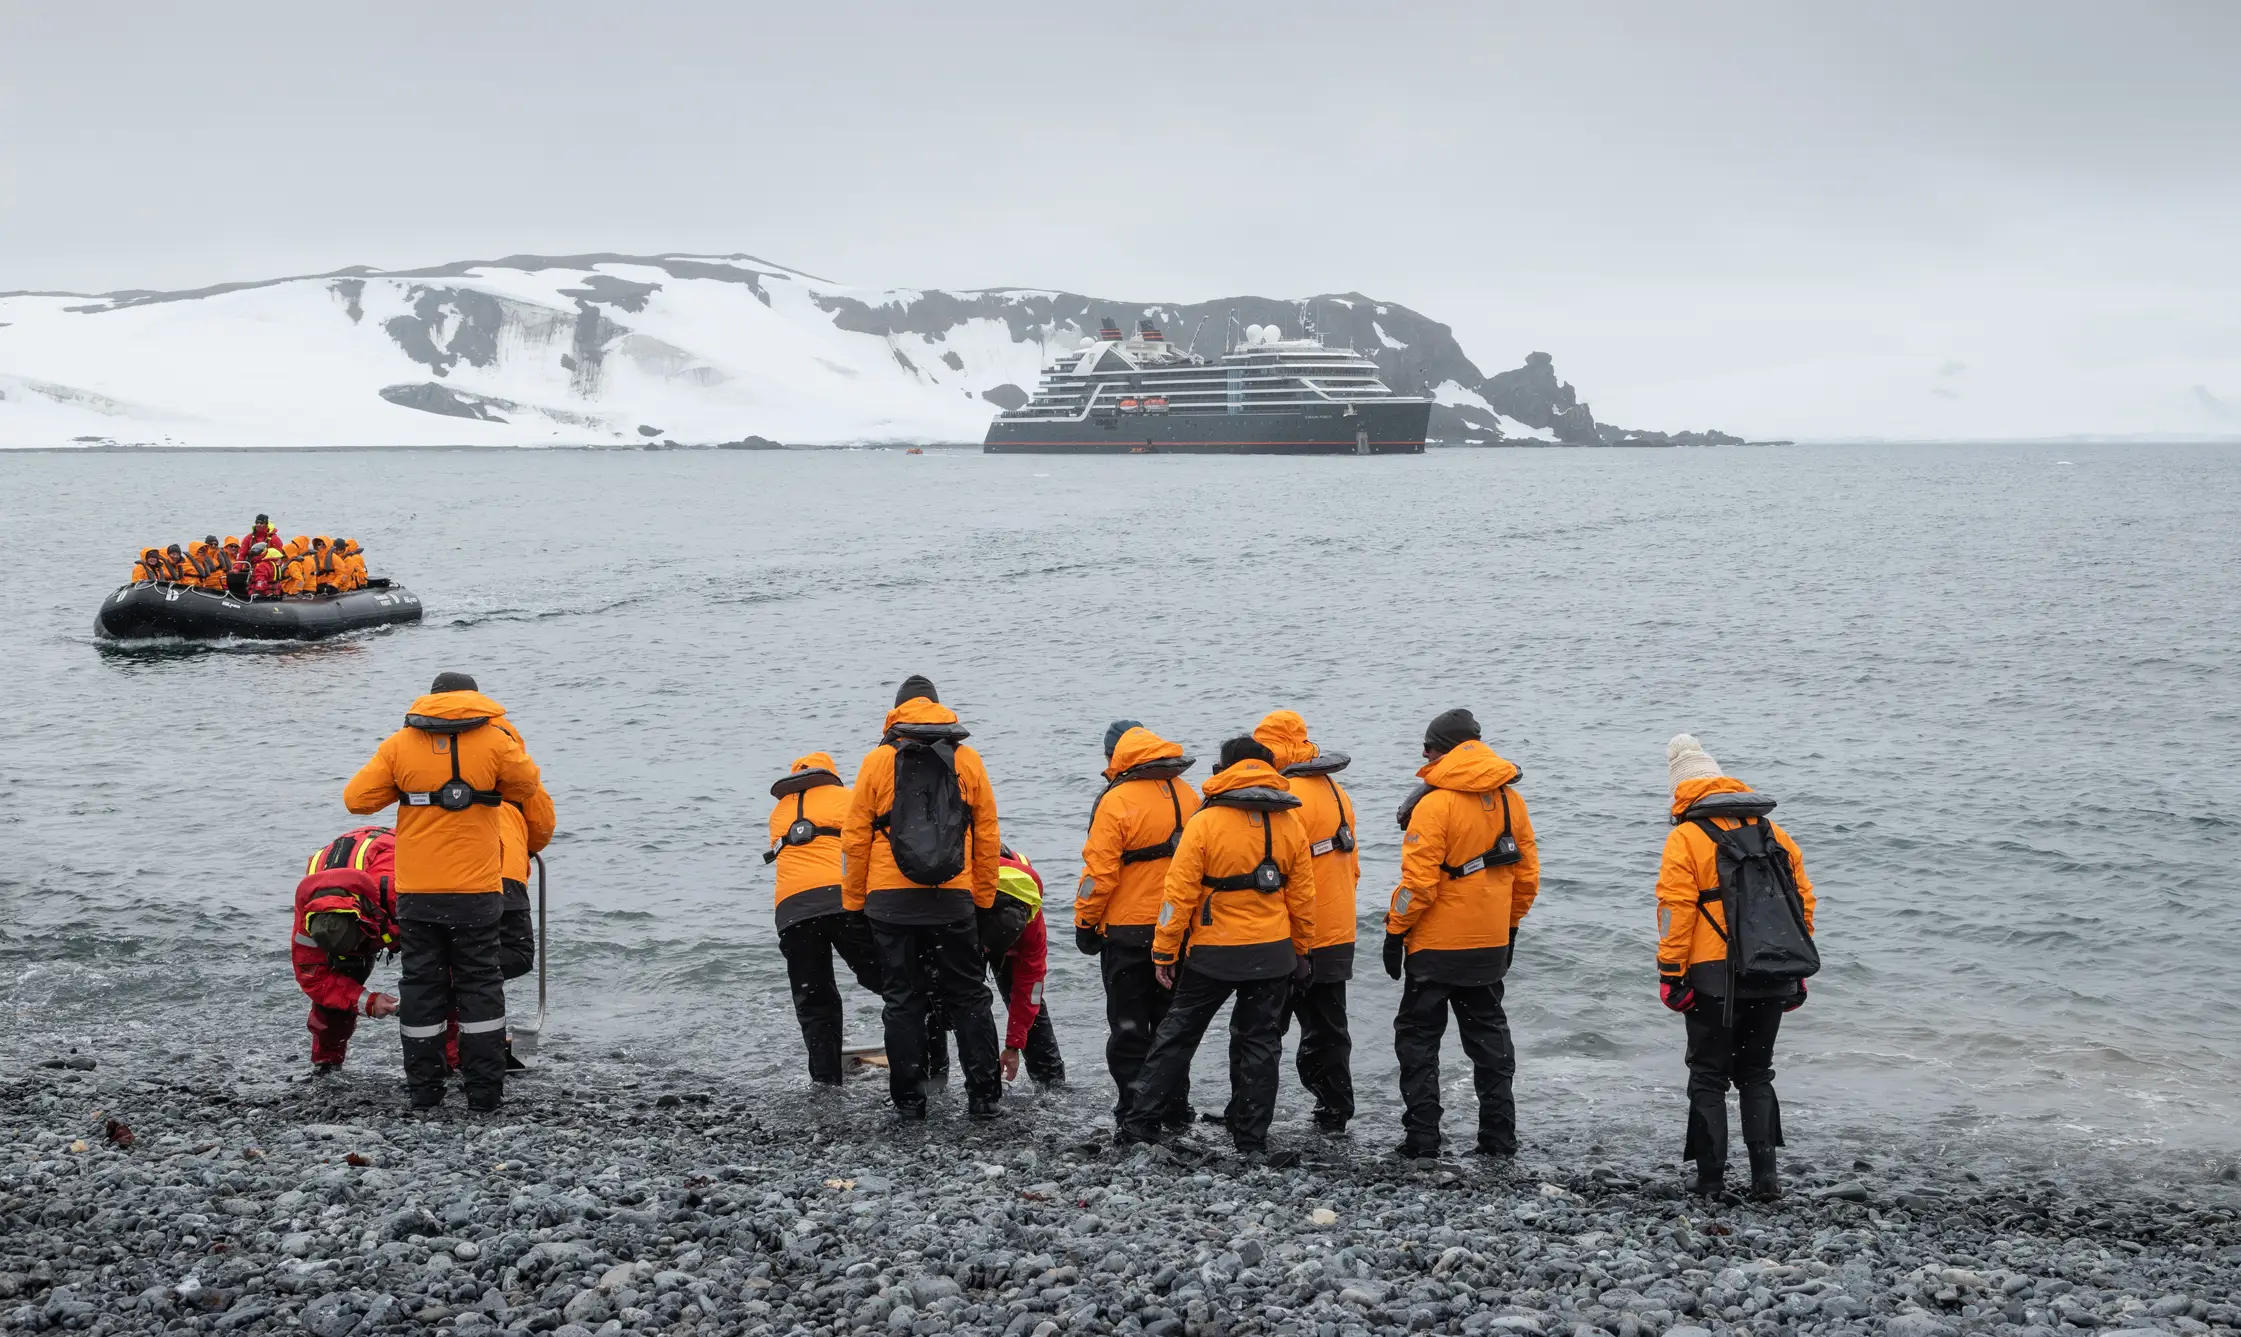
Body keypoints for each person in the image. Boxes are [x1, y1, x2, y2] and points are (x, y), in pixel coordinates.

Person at [344, 671, 555, 1110]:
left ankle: (424, 1092)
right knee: (481, 983)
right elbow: (525, 786)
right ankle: (483, 1094)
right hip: (477, 891)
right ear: (476, 703)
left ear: (429, 702)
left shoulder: (400, 744)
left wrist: (409, 787)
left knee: (422, 985)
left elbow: (357, 799)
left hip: (417, 892)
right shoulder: (497, 740)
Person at [1121, 736, 1317, 1160]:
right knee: (1261, 1044)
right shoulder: (1290, 822)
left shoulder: (1205, 822)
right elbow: (1303, 897)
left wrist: (1164, 951)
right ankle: (1251, 1139)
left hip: (1214, 952)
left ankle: (1141, 1124)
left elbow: (1178, 893)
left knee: (1177, 1035)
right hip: (1273, 953)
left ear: (1224, 769)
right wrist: (1302, 950)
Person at [1656, 733, 1818, 1201]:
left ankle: (1709, 1180)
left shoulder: (1685, 837)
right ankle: (1766, 1179)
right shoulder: (1776, 834)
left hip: (1711, 976)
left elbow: (1676, 911)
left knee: (1708, 1074)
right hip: (1772, 969)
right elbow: (1803, 904)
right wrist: (1794, 972)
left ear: (1681, 792)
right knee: (1756, 1072)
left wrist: (1670, 973)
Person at [841, 675, 1005, 1120]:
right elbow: (987, 836)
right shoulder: (967, 759)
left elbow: (855, 839)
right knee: (970, 995)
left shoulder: (877, 761)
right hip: (953, 897)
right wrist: (983, 900)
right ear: (939, 708)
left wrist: (854, 904)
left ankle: (911, 1102)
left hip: (890, 901)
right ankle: (984, 1097)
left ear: (896, 713)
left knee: (902, 1000)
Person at [1384, 708, 1540, 1160]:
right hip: (1489, 945)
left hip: (1435, 949)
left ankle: (1422, 1140)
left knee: (1417, 1041)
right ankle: (1498, 1139)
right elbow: (1527, 878)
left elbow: (1418, 885)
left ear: (1443, 751)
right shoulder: (1512, 801)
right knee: (1491, 1043)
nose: (1424, 755)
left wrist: (1395, 931)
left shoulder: (1433, 805)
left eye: (1428, 748)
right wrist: (1509, 927)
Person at [1073, 720, 1201, 1133]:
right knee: (1171, 1027)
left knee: (1129, 1029)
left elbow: (1099, 875)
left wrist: (1085, 921)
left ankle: (1133, 1107)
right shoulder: (1189, 794)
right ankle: (1175, 1107)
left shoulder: (1116, 800)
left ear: (1117, 757)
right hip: (1178, 931)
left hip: (1128, 932)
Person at [1254, 709, 1361, 1134]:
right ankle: (1334, 1111)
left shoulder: (1286, 795)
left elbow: (1280, 869)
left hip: (1294, 933)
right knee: (1329, 1027)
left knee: (1262, 1028)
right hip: (1338, 929)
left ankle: (1250, 1114)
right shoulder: (1333, 789)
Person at [767, 751, 884, 1086]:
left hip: (792, 914)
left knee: (815, 999)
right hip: (842, 903)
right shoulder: (847, 798)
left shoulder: (778, 813)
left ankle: (826, 1080)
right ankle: (917, 1047)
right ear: (831, 775)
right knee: (886, 978)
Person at [291, 826, 402, 1072]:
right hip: (368, 901)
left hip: (393, 874)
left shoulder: (397, 890)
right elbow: (315, 978)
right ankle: (327, 1063)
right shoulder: (309, 916)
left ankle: (453, 1058)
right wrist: (369, 1002)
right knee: (335, 990)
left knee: (440, 978)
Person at [985, 846, 1064, 1087]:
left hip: (1004, 927)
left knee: (1033, 1010)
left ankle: (1051, 1085)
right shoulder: (962, 890)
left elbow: (1030, 990)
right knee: (963, 1003)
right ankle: (936, 1080)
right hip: (964, 913)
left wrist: (1013, 1045)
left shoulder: (1032, 928)